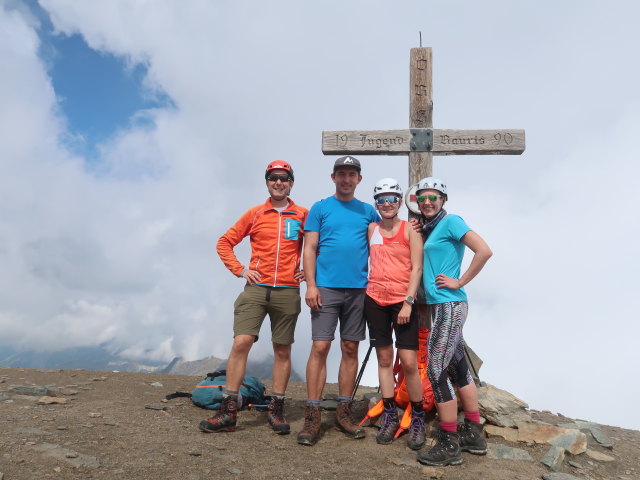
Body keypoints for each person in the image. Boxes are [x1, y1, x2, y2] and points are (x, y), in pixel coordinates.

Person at [199, 161, 308, 435]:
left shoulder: (303, 215)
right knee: (241, 342)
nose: (279, 182)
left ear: (291, 182)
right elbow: (224, 242)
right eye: (273, 178)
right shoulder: (256, 213)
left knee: (282, 349)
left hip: (288, 290)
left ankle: (277, 408)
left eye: (284, 178)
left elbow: (322, 244)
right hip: (256, 289)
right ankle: (229, 409)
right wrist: (240, 270)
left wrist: (310, 269)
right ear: (267, 182)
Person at [297, 155, 379, 446]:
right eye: (341, 174)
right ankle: (313, 414)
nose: (346, 179)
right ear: (333, 178)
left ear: (359, 179)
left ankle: (344, 412)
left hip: (359, 289)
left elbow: (387, 240)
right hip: (326, 287)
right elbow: (309, 248)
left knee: (350, 346)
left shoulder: (369, 211)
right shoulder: (320, 208)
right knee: (320, 346)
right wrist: (311, 284)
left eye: (352, 174)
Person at [412, 177, 493, 466]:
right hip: (446, 306)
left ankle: (449, 444)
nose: (428, 202)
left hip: (450, 305)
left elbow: (484, 250)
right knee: (459, 368)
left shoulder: (452, 221)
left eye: (434, 197)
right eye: (423, 198)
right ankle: (474, 432)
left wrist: (460, 280)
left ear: (443, 200)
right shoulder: (431, 228)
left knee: (435, 371)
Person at [364, 178, 426, 450]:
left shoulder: (410, 230)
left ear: (400, 202)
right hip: (375, 298)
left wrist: (409, 302)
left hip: (403, 301)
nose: (387, 204)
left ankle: (418, 417)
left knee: (410, 362)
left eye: (392, 199)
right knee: (384, 358)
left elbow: (417, 268)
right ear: (376, 203)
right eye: (381, 199)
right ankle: (389, 414)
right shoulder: (371, 229)